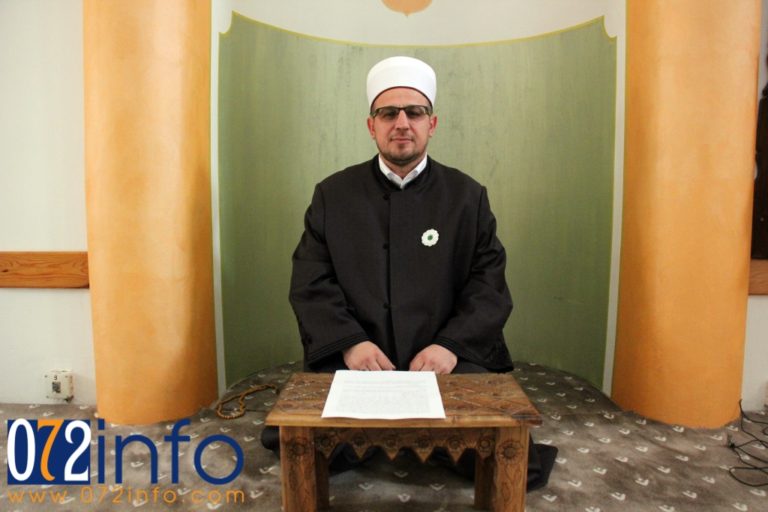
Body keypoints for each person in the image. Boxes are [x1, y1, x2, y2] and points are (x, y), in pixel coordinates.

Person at [264, 56, 555, 490]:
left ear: (431, 124)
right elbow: (311, 280)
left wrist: (450, 346)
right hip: (363, 361)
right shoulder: (333, 195)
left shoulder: (467, 196)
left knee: (507, 457)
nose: (402, 123)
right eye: (388, 113)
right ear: (372, 126)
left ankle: (394, 436)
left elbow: (488, 284)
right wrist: (351, 345)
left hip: (443, 361)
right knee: (298, 440)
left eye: (414, 112)